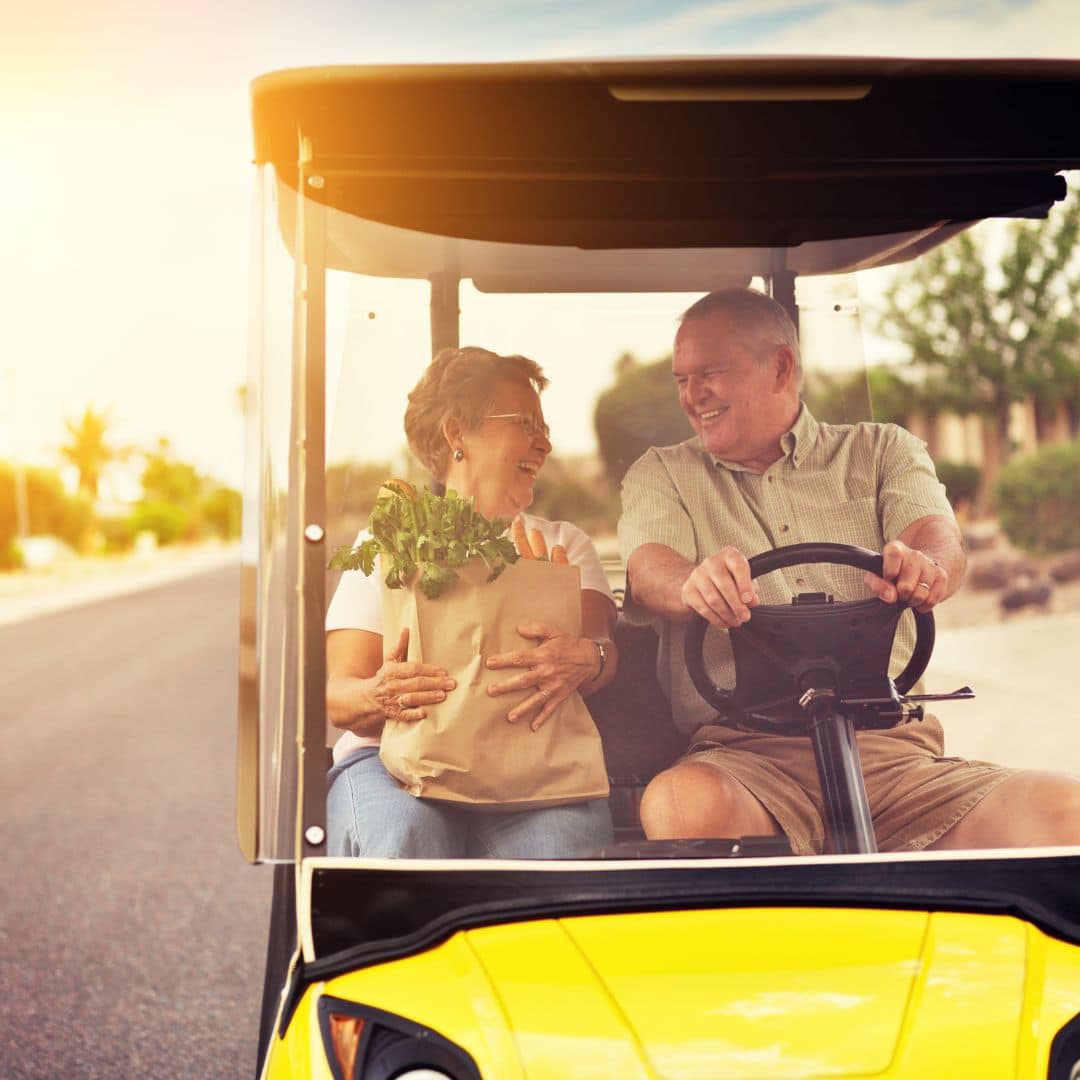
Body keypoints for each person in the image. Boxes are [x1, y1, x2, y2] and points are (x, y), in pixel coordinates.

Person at [618, 286, 1080, 854]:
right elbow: (649, 569)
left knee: (1067, 812)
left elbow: (935, 537)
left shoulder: (883, 450)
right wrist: (693, 584)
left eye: (709, 373)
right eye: (681, 380)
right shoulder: (664, 473)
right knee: (679, 805)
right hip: (745, 759)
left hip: (894, 757)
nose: (693, 395)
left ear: (781, 366)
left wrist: (926, 567)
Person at [326, 345, 618, 859]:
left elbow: (601, 650)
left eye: (544, 426)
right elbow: (339, 695)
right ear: (457, 433)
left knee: (559, 850)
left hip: (532, 760)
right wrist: (380, 695)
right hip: (390, 758)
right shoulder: (392, 543)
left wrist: (586, 657)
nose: (544, 442)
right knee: (403, 838)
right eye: (525, 422)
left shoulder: (564, 546)